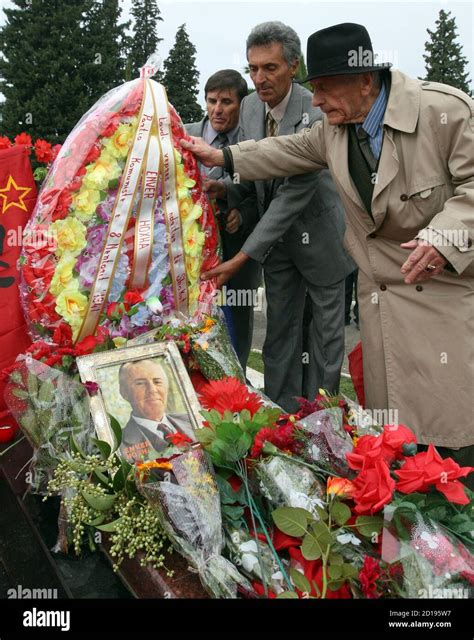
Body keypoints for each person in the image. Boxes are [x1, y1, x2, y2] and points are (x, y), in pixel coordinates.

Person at [182, 22, 474, 467]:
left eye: (324, 88)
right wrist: (221, 157)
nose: (315, 101)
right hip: (383, 301)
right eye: (312, 89)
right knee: (394, 435)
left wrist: (443, 235)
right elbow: (283, 150)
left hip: (440, 293)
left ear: (364, 80)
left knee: (453, 419)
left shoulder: (445, 112)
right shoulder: (335, 128)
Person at [195, 22, 354, 412]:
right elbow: (254, 177)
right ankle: (282, 419)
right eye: (253, 69)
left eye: (270, 68)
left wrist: (243, 257)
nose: (260, 78)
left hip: (323, 243)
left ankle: (323, 421)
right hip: (279, 247)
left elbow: (292, 194)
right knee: (279, 335)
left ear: (294, 66)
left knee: (325, 341)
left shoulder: (314, 110)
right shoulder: (249, 107)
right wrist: (227, 190)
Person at [185, 70, 261, 372]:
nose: (218, 108)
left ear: (242, 105)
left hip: (237, 254)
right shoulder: (185, 135)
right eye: (212, 100)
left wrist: (242, 213)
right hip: (189, 254)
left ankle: (237, 383)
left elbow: (265, 194)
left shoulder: (254, 142)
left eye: (226, 102)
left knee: (236, 323)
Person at [119, 359, 195, 463]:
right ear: (124, 393)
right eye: (140, 383)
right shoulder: (118, 446)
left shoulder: (192, 420)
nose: (152, 389)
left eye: (157, 382)